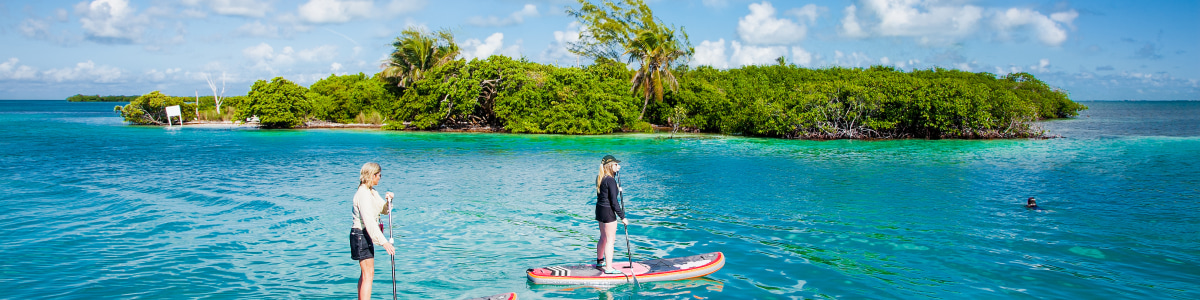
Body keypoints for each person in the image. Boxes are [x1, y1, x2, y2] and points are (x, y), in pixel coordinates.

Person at [350, 162, 395, 300]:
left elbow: (384, 210)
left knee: (366, 273)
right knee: (368, 273)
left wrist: (389, 201)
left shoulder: (371, 191)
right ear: (372, 175)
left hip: (364, 235)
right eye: (379, 175)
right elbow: (369, 221)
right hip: (361, 235)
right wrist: (384, 242)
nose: (380, 178)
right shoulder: (363, 194)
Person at [595, 155, 627, 274]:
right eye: (616, 164)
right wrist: (622, 217)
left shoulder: (600, 177)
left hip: (600, 210)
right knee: (610, 240)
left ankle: (599, 261)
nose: (619, 166)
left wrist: (616, 188)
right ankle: (608, 268)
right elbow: (614, 202)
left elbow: (603, 195)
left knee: (603, 237)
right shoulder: (611, 180)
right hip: (608, 212)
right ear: (610, 166)